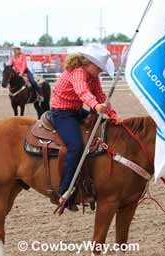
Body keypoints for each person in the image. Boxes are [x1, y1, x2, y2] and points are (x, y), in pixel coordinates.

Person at [50, 45, 122, 212]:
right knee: (75, 147)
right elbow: (83, 92)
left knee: (103, 130)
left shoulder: (93, 77)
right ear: (89, 63)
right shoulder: (78, 72)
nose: (101, 71)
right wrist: (96, 106)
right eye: (99, 68)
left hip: (75, 110)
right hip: (62, 113)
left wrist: (113, 114)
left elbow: (100, 95)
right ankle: (63, 190)